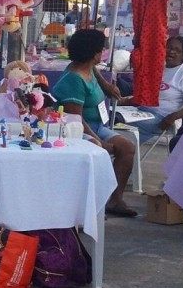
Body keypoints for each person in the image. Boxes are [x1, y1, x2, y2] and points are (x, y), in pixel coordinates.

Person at [51, 28, 137, 218]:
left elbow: (94, 71)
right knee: (98, 151)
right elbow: (76, 119)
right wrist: (100, 142)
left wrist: (106, 85)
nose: (102, 53)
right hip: (76, 129)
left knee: (127, 148)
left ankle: (115, 199)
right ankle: (89, 208)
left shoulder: (87, 67)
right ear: (94, 54)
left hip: (97, 125)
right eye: (100, 50)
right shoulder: (74, 80)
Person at [130, 35, 183, 142]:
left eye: (177, 50)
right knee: (113, 115)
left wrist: (173, 117)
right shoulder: (159, 69)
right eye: (169, 47)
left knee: (120, 121)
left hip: (161, 118)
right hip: (141, 111)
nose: (171, 52)